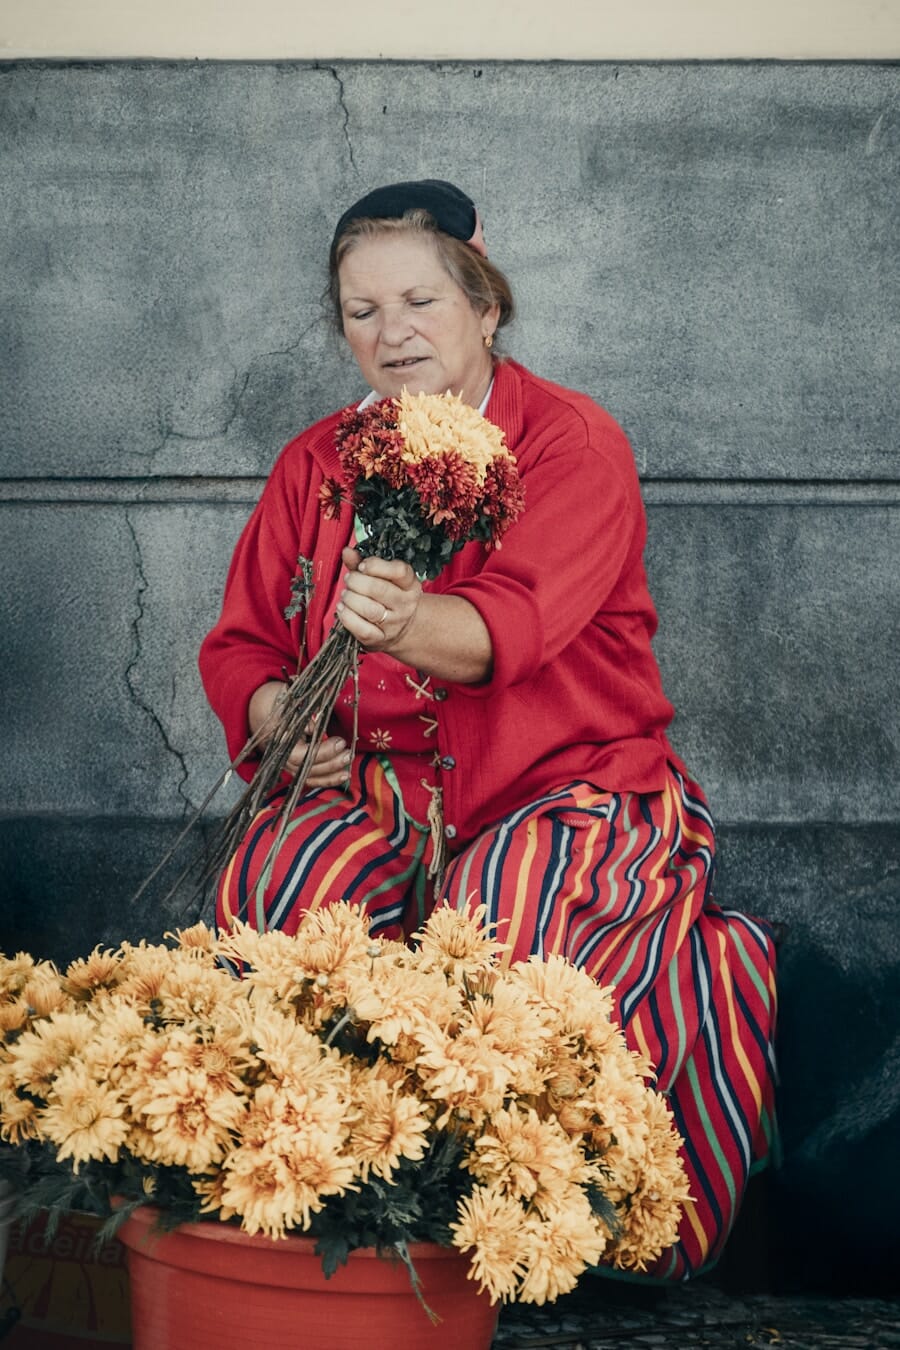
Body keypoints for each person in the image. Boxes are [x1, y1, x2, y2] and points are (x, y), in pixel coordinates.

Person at [199, 179, 777, 1282]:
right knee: (275, 903)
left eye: (420, 300)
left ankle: (523, 1247)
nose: (393, 331)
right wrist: (278, 716)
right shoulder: (316, 464)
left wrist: (408, 620)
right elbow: (238, 646)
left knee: (495, 945)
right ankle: (322, 1230)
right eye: (362, 311)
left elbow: (499, 633)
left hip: (565, 785)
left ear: (485, 306)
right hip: (381, 801)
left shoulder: (570, 442)